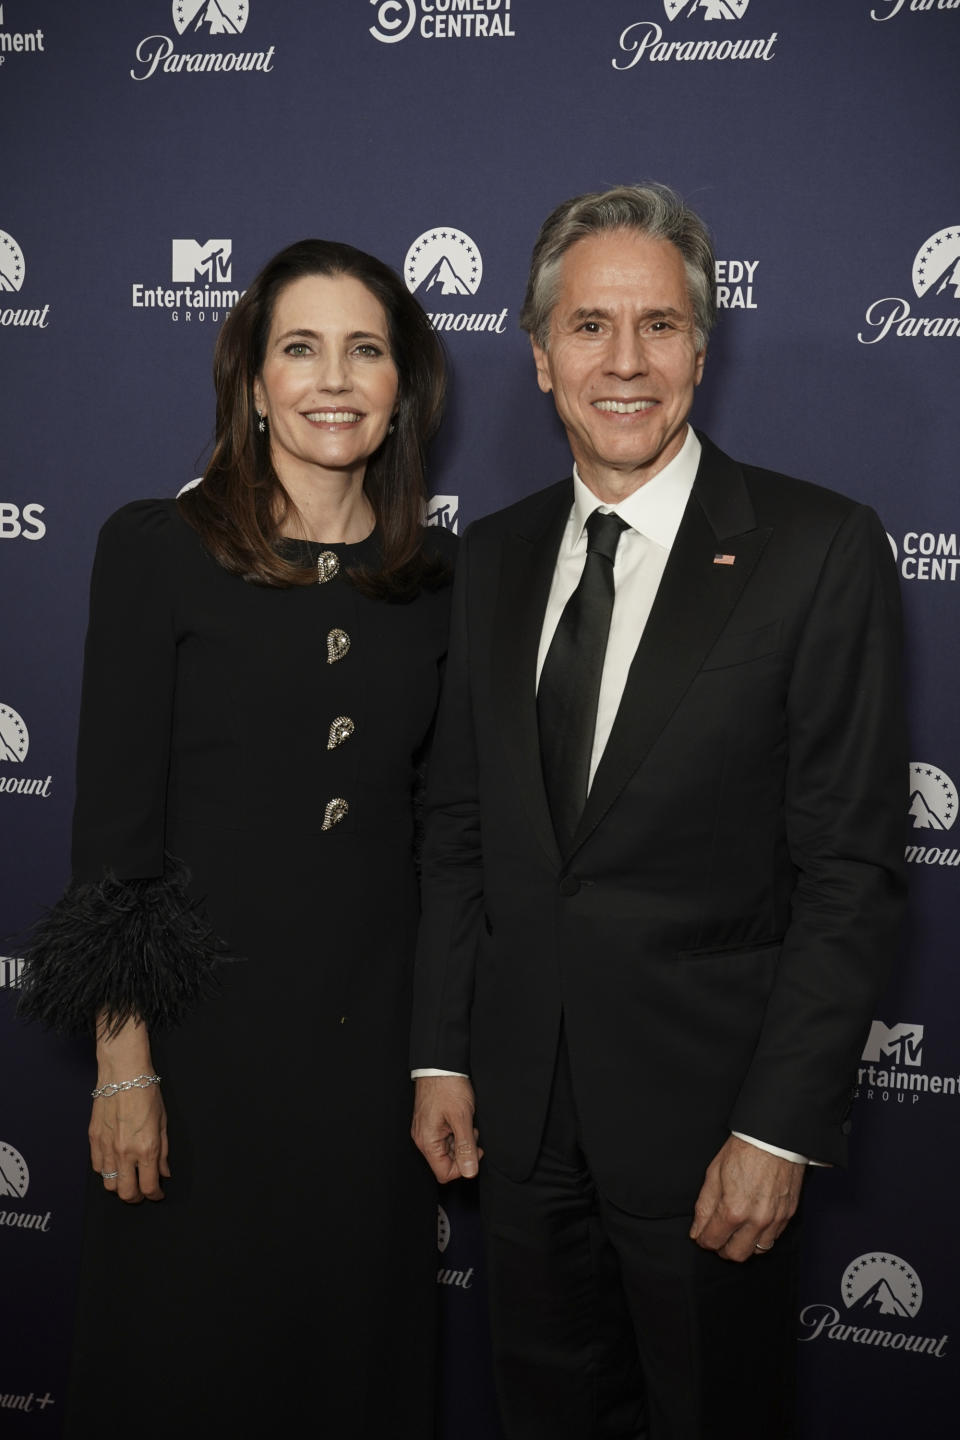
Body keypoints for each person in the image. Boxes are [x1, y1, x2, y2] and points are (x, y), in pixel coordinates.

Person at [410, 184, 906, 1439]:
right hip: (520, 1129)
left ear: (702, 345)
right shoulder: (493, 557)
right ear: (538, 356)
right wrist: (441, 1049)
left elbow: (849, 870)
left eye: (659, 326)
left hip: (709, 1137)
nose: (624, 363)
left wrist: (777, 1129)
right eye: (588, 327)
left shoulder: (818, 547)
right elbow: (462, 825)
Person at [20, 239, 455, 1437]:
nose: (333, 378)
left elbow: (442, 843)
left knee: (350, 1376)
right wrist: (127, 1068)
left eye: (364, 350)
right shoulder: (156, 550)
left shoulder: (436, 581)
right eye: (299, 349)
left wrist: (437, 1058)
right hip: (195, 1067)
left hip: (368, 1076)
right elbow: (114, 841)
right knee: (181, 1370)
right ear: (252, 383)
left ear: (403, 385)